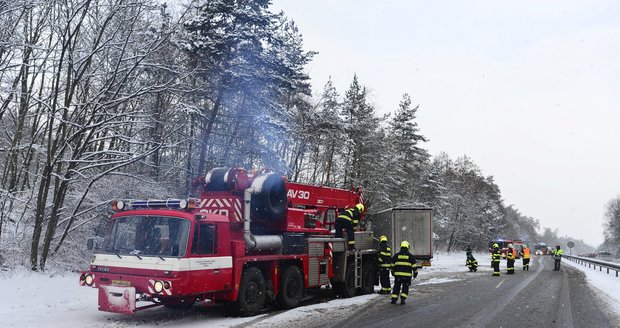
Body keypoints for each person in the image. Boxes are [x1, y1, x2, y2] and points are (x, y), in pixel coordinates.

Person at [390, 240, 418, 305]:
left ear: (401, 247)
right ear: (408, 247)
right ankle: (403, 299)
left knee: (396, 287)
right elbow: (414, 267)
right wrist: (415, 273)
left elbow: (392, 265)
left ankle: (394, 299)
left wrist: (392, 272)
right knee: (405, 287)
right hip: (407, 276)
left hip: (398, 276)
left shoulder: (396, 256)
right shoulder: (411, 256)